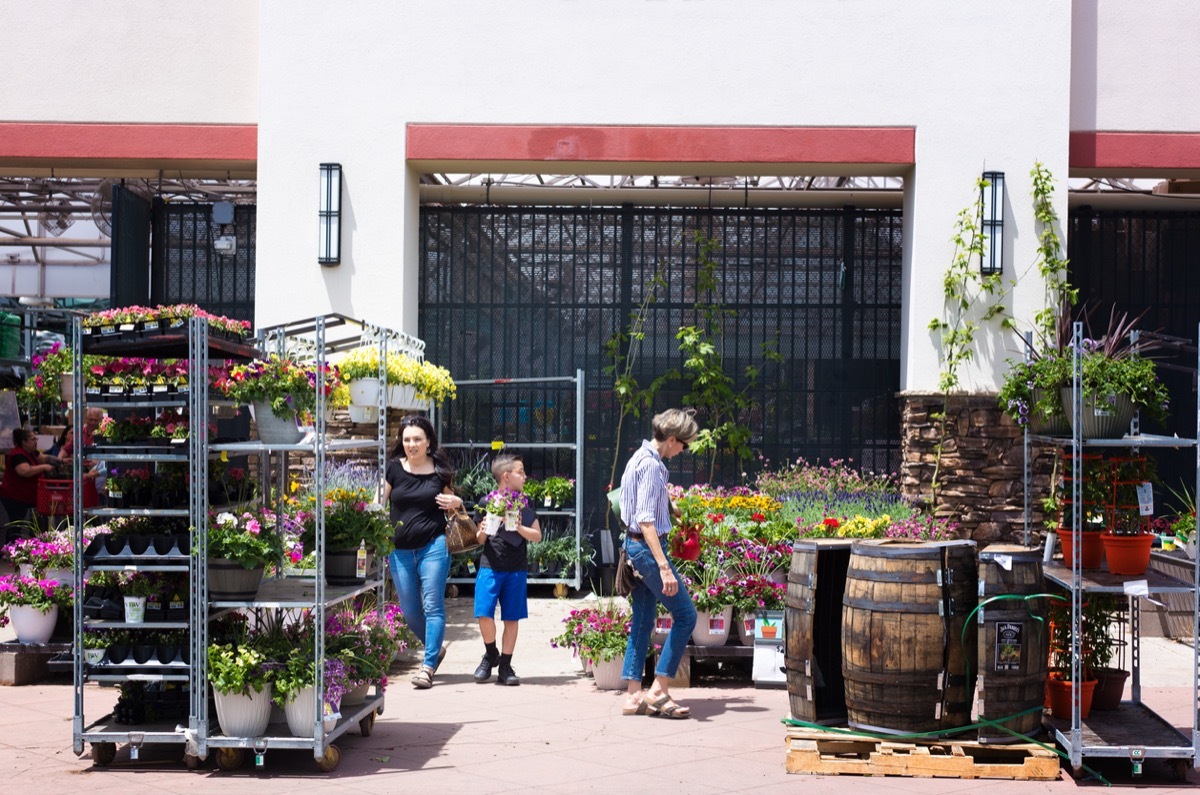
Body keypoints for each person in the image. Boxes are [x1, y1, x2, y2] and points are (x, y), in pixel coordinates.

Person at [618, 408, 700, 719]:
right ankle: (659, 690)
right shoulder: (652, 466)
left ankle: (633, 695)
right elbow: (646, 521)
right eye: (684, 444)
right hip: (648, 550)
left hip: (633, 548)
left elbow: (639, 502)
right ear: (670, 440)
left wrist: (671, 506)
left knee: (641, 622)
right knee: (686, 616)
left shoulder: (639, 457)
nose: (683, 450)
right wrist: (664, 567)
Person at [382, 415, 465, 689]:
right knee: (409, 611)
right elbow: (378, 502)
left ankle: (428, 666)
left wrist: (457, 500)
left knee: (433, 606)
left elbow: (453, 509)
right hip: (400, 550)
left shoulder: (440, 472)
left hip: (434, 545)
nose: (411, 444)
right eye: (407, 440)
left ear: (428, 442)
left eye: (417, 439)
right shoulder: (393, 469)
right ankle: (436, 649)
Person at [472, 453, 542, 686]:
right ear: (506, 476)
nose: (524, 476)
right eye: (520, 472)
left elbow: (537, 536)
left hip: (516, 568)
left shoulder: (524, 502)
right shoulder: (486, 502)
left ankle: (505, 666)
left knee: (512, 617)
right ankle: (491, 653)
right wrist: (483, 529)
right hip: (490, 565)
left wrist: (519, 526)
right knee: (484, 612)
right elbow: (479, 539)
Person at [0, 428, 59, 540]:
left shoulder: (31, 452)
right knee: (16, 525)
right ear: (24, 442)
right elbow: (24, 471)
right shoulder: (17, 455)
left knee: (30, 525)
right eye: (33, 439)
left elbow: (44, 458)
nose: (36, 441)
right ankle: (10, 550)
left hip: (26, 497)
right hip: (14, 497)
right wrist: (44, 467)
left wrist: (61, 460)